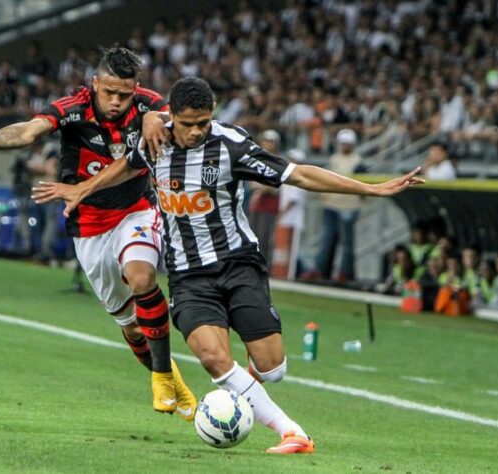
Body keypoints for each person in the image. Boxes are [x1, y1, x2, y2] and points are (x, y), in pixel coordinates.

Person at [33, 77, 423, 454]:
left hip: (238, 264)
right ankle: (292, 432)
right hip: (187, 274)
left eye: (203, 123)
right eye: (188, 124)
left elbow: (297, 174)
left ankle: (248, 385)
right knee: (213, 357)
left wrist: (371, 188)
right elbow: (127, 166)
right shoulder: (155, 141)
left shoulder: (231, 145)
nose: (196, 132)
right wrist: (81, 189)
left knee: (273, 369)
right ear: (173, 117)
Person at [0, 47, 196, 420]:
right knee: (129, 325)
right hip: (89, 226)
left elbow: (178, 115)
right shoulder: (73, 108)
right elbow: (28, 131)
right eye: (108, 92)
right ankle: (174, 380)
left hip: (135, 211)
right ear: (94, 84)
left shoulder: (148, 105)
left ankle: (161, 376)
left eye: (124, 95)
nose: (115, 101)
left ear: (135, 89)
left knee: (142, 276)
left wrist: (158, 117)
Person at [315, 128, 364, 282]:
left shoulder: (357, 162)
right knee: (328, 240)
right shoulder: (334, 159)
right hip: (331, 204)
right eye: (343, 143)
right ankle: (324, 270)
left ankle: (346, 272)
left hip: (348, 205)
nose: (345, 146)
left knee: (347, 243)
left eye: (347, 144)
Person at [271, 149, 307, 279]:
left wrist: (281, 213)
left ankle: (289, 275)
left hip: (293, 218)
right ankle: (283, 273)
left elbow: (293, 200)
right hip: (286, 218)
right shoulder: (288, 176)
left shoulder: (298, 176)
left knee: (291, 250)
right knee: (283, 249)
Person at [248, 129, 281, 264]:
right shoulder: (258, 159)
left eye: (271, 141)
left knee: (264, 236)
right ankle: (251, 264)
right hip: (257, 203)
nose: (268, 144)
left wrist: (261, 188)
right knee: (252, 235)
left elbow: (275, 186)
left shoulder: (277, 161)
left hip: (269, 204)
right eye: (266, 140)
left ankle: (264, 265)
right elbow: (252, 182)